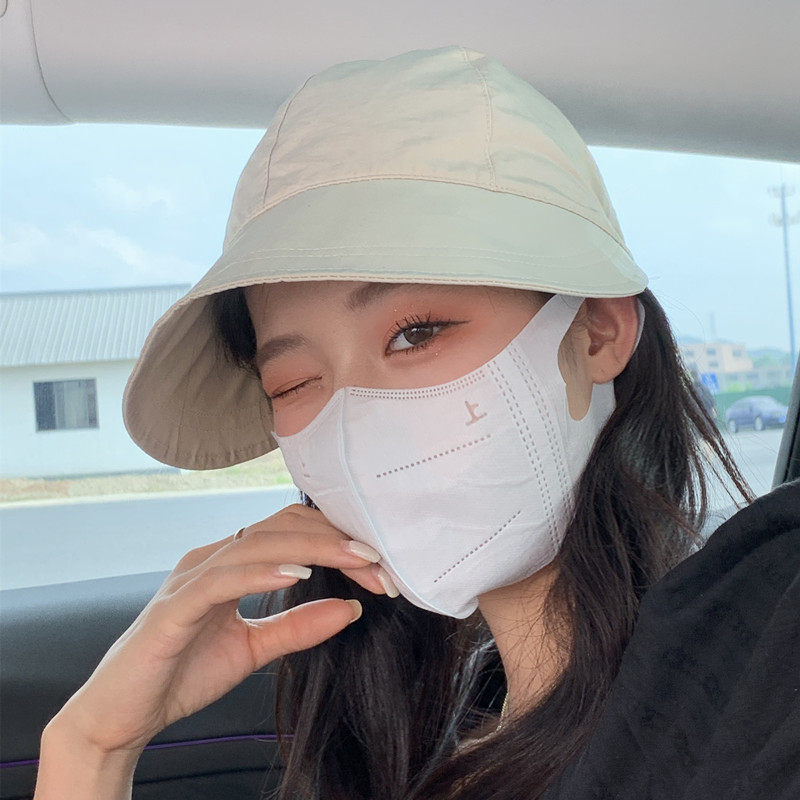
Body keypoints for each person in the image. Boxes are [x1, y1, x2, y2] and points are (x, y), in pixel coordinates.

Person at [33, 46, 767, 800]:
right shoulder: (434, 732)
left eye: (416, 333)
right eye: (295, 382)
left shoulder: (758, 664)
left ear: (596, 332)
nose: (357, 425)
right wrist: (91, 746)